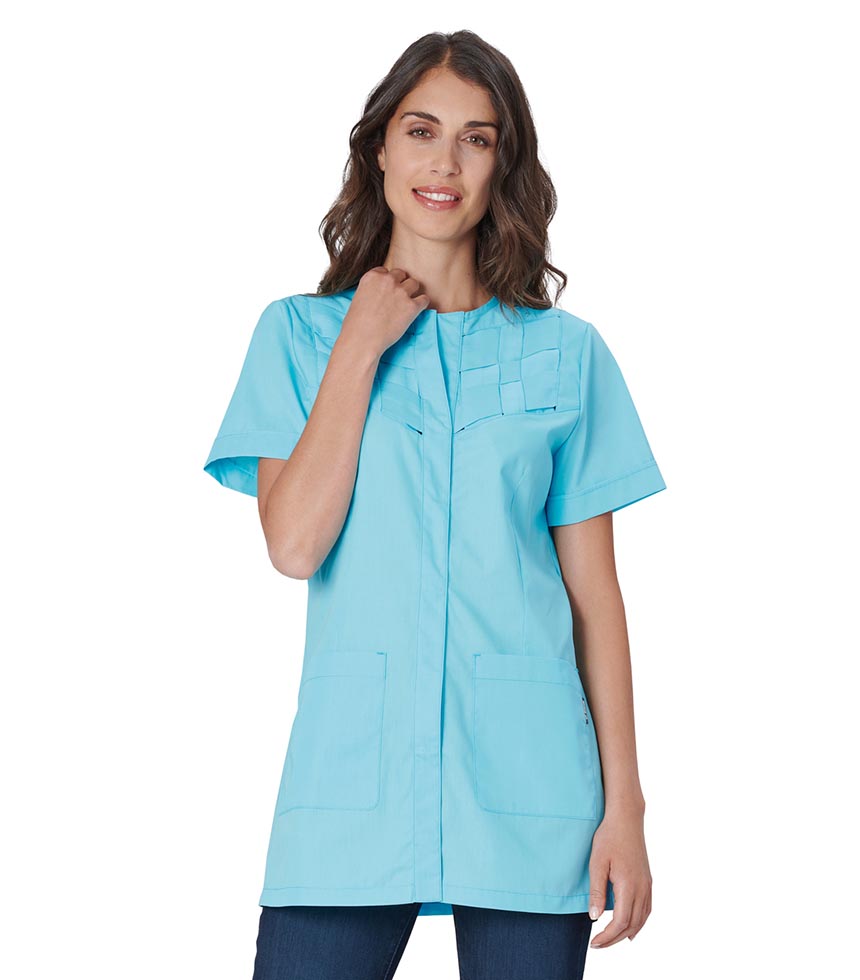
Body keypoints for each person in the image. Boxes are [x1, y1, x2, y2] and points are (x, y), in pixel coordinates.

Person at [203, 29, 666, 980]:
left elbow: (596, 600)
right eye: (421, 131)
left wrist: (625, 806)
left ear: (503, 165)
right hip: (349, 788)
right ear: (379, 148)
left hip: (531, 787)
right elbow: (294, 545)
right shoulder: (297, 337)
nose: (444, 163)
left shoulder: (567, 354)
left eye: (476, 138)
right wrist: (361, 341)